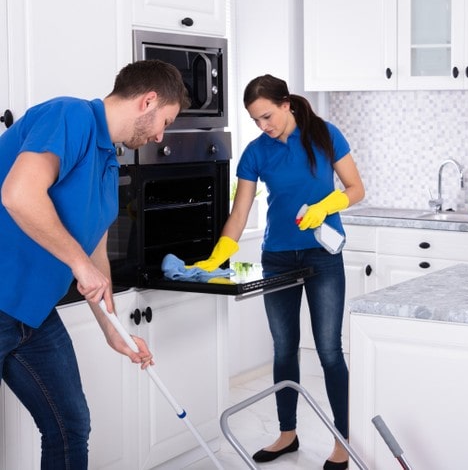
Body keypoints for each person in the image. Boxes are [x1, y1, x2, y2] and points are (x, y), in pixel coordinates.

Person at [0, 59, 188, 468]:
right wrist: (78, 264)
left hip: (31, 314)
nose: (160, 135)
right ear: (148, 101)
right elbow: (18, 194)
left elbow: (94, 256)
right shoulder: (70, 116)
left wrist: (113, 329)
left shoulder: (108, 161)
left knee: (70, 425)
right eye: (165, 122)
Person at [193, 74, 364, 469]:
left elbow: (356, 188)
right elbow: (240, 212)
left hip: (323, 254)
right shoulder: (255, 152)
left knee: (329, 350)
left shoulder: (324, 135)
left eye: (267, 116)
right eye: (256, 120)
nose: (263, 126)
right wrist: (220, 253)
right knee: (284, 349)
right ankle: (287, 434)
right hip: (279, 256)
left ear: (286, 104)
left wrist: (326, 206)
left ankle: (343, 439)